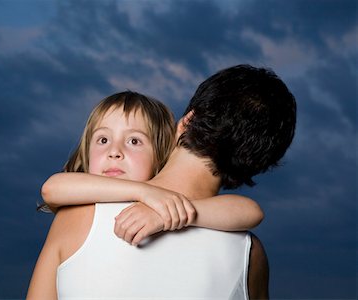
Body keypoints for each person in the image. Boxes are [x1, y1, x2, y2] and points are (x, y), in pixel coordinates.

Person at [28, 65, 297, 299]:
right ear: (255, 165)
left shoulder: (79, 215)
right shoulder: (252, 257)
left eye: (134, 140)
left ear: (186, 122)